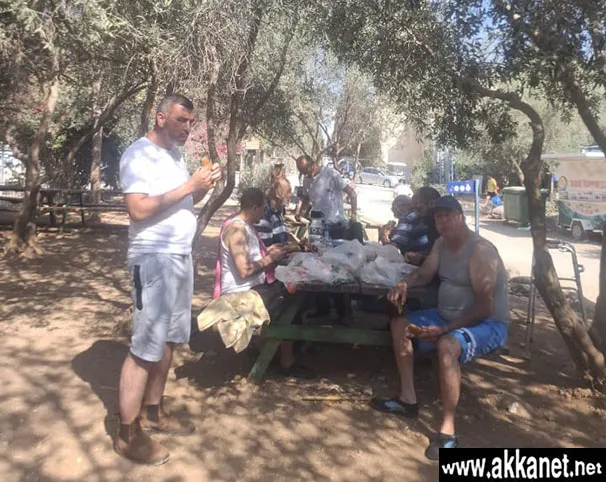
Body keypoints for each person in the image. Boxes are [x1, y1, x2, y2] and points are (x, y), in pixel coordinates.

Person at [116, 94, 222, 465]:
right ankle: (127, 434)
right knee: (144, 347)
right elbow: (137, 209)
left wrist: (201, 188)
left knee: (169, 340)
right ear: (161, 118)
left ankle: (153, 410)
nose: (187, 128)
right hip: (153, 260)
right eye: (181, 120)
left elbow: (180, 201)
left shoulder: (175, 157)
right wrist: (189, 186)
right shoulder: (138, 154)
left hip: (179, 257)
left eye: (191, 122)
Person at [371, 196, 509, 460]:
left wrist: (446, 330)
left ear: (461, 217)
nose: (442, 222)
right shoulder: (441, 244)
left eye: (448, 216)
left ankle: (448, 432)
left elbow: (485, 308)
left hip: (486, 324)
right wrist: (405, 283)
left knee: (446, 347)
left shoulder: (480, 250)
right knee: (400, 324)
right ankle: (407, 399)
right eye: (438, 217)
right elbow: (424, 274)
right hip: (446, 316)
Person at [218, 187, 313, 378]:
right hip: (241, 294)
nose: (264, 213)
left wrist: (269, 251)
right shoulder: (236, 230)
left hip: (253, 288)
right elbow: (244, 270)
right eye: (263, 208)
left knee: (295, 295)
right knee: (291, 301)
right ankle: (284, 361)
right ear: (254, 208)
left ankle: (274, 351)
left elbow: (250, 257)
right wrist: (270, 258)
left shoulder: (246, 227)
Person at [295, 155, 363, 242]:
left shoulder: (331, 174)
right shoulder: (306, 180)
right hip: (316, 223)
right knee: (314, 248)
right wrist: (301, 213)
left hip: (335, 223)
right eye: (302, 172)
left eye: (306, 171)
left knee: (335, 249)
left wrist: (353, 215)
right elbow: (307, 199)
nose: (305, 174)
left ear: (314, 164)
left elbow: (352, 194)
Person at [402, 186, 441, 266]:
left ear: (431, 204)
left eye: (418, 206)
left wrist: (421, 258)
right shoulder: (428, 224)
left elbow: (445, 259)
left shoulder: (442, 226)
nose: (416, 214)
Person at [254, 177, 291, 247]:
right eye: (288, 191)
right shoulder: (265, 215)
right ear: (277, 194)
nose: (290, 195)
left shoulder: (277, 212)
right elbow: (263, 248)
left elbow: (281, 241)